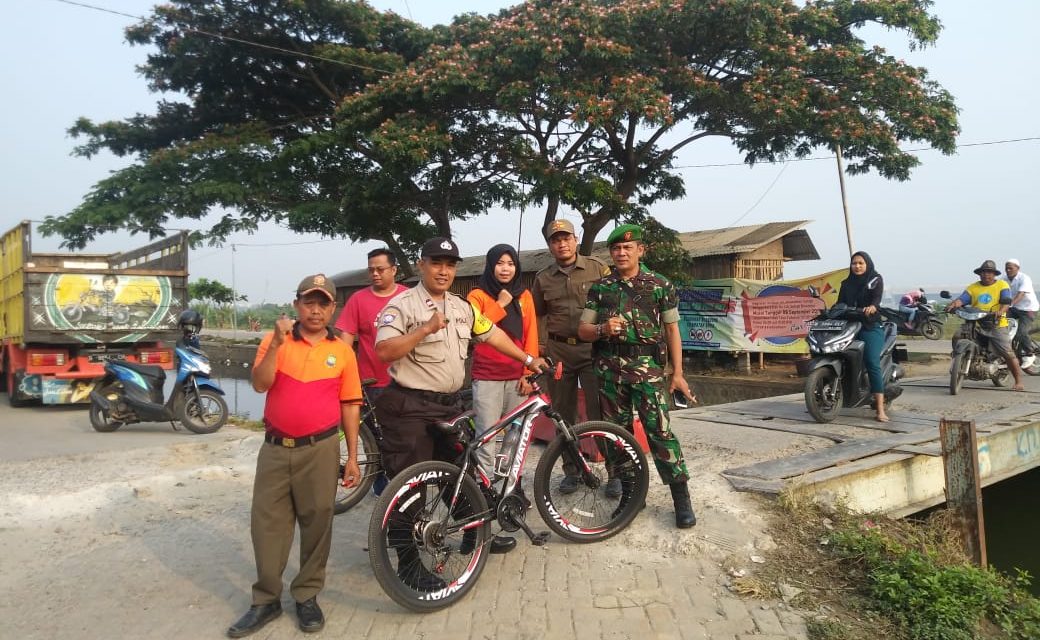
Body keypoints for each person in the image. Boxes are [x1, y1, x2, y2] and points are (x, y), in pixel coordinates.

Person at [373, 237, 548, 586]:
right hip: (410, 408)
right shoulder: (402, 305)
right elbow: (385, 351)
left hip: (448, 407)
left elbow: (493, 335)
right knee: (410, 490)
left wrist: (528, 359)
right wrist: (424, 329)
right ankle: (408, 565)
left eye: (450, 264)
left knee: (463, 476)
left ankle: (475, 537)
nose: (443, 270)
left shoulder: (461, 307)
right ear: (421, 265)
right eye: (436, 262)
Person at [227, 274, 362, 638]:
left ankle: (306, 595)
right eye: (308, 302)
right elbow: (260, 384)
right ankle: (266, 598)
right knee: (267, 524)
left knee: (318, 522)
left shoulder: (343, 352)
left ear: (333, 308)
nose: (315, 310)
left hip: (320, 450)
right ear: (296, 304)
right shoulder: (275, 340)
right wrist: (276, 346)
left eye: (323, 303)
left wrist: (352, 456)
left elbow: (350, 405)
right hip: (274, 449)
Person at [576, 224, 698, 529]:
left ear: (639, 251)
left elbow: (672, 331)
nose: (621, 253)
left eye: (627, 248)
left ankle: (681, 499)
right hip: (609, 375)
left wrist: (678, 374)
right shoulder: (600, 288)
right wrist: (603, 329)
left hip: (648, 374)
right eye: (616, 248)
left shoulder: (660, 285)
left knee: (661, 434)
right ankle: (632, 497)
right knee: (618, 438)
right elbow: (583, 331)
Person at [531, 218, 612, 493]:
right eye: (556, 240)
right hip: (559, 353)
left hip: (593, 350)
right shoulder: (543, 278)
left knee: (600, 411)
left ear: (575, 240)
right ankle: (572, 471)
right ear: (550, 246)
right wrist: (540, 347)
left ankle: (614, 472)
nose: (562, 243)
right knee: (563, 415)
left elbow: (611, 304)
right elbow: (538, 315)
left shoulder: (597, 268)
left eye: (566, 238)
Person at [334, 248, 408, 495]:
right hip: (372, 382)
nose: (375, 274)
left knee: (404, 436)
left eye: (380, 269)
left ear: (394, 270)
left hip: (405, 381)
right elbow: (346, 340)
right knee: (376, 438)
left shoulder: (408, 297)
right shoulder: (358, 300)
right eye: (371, 270)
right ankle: (380, 485)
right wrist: (341, 375)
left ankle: (404, 484)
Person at [466, 244, 539, 475]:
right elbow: (474, 331)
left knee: (515, 437)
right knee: (485, 436)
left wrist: (528, 374)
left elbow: (531, 335)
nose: (505, 269)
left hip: (517, 378)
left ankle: (511, 485)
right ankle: (483, 488)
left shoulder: (525, 296)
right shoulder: (476, 296)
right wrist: (500, 305)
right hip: (487, 377)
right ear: (490, 266)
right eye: (500, 263)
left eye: (511, 264)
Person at [947, 260, 1025, 391]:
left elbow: (1006, 301)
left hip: (996, 323)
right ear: (979, 274)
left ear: (994, 274)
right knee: (957, 335)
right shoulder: (973, 287)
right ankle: (959, 358)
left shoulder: (1002, 285)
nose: (986, 274)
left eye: (989, 272)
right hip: (976, 322)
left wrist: (1001, 311)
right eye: (983, 272)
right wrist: (954, 304)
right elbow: (963, 299)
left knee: (1007, 352)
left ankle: (1018, 381)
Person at [836, 251, 890, 422]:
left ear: (867, 264)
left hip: (870, 325)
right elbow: (840, 303)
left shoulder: (875, 279)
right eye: (854, 263)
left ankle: (880, 409)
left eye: (860, 263)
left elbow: (876, 298)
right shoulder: (846, 283)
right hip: (849, 326)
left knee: (872, 362)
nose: (857, 266)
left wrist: (873, 307)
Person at [1001, 259, 1038, 358]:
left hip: (1028, 309)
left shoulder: (1024, 278)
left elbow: (1020, 295)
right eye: (1006, 268)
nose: (1008, 270)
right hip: (1014, 308)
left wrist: (1009, 305)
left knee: (1021, 333)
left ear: (1018, 268)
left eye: (1010, 268)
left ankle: (1029, 353)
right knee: (997, 322)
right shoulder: (1004, 279)